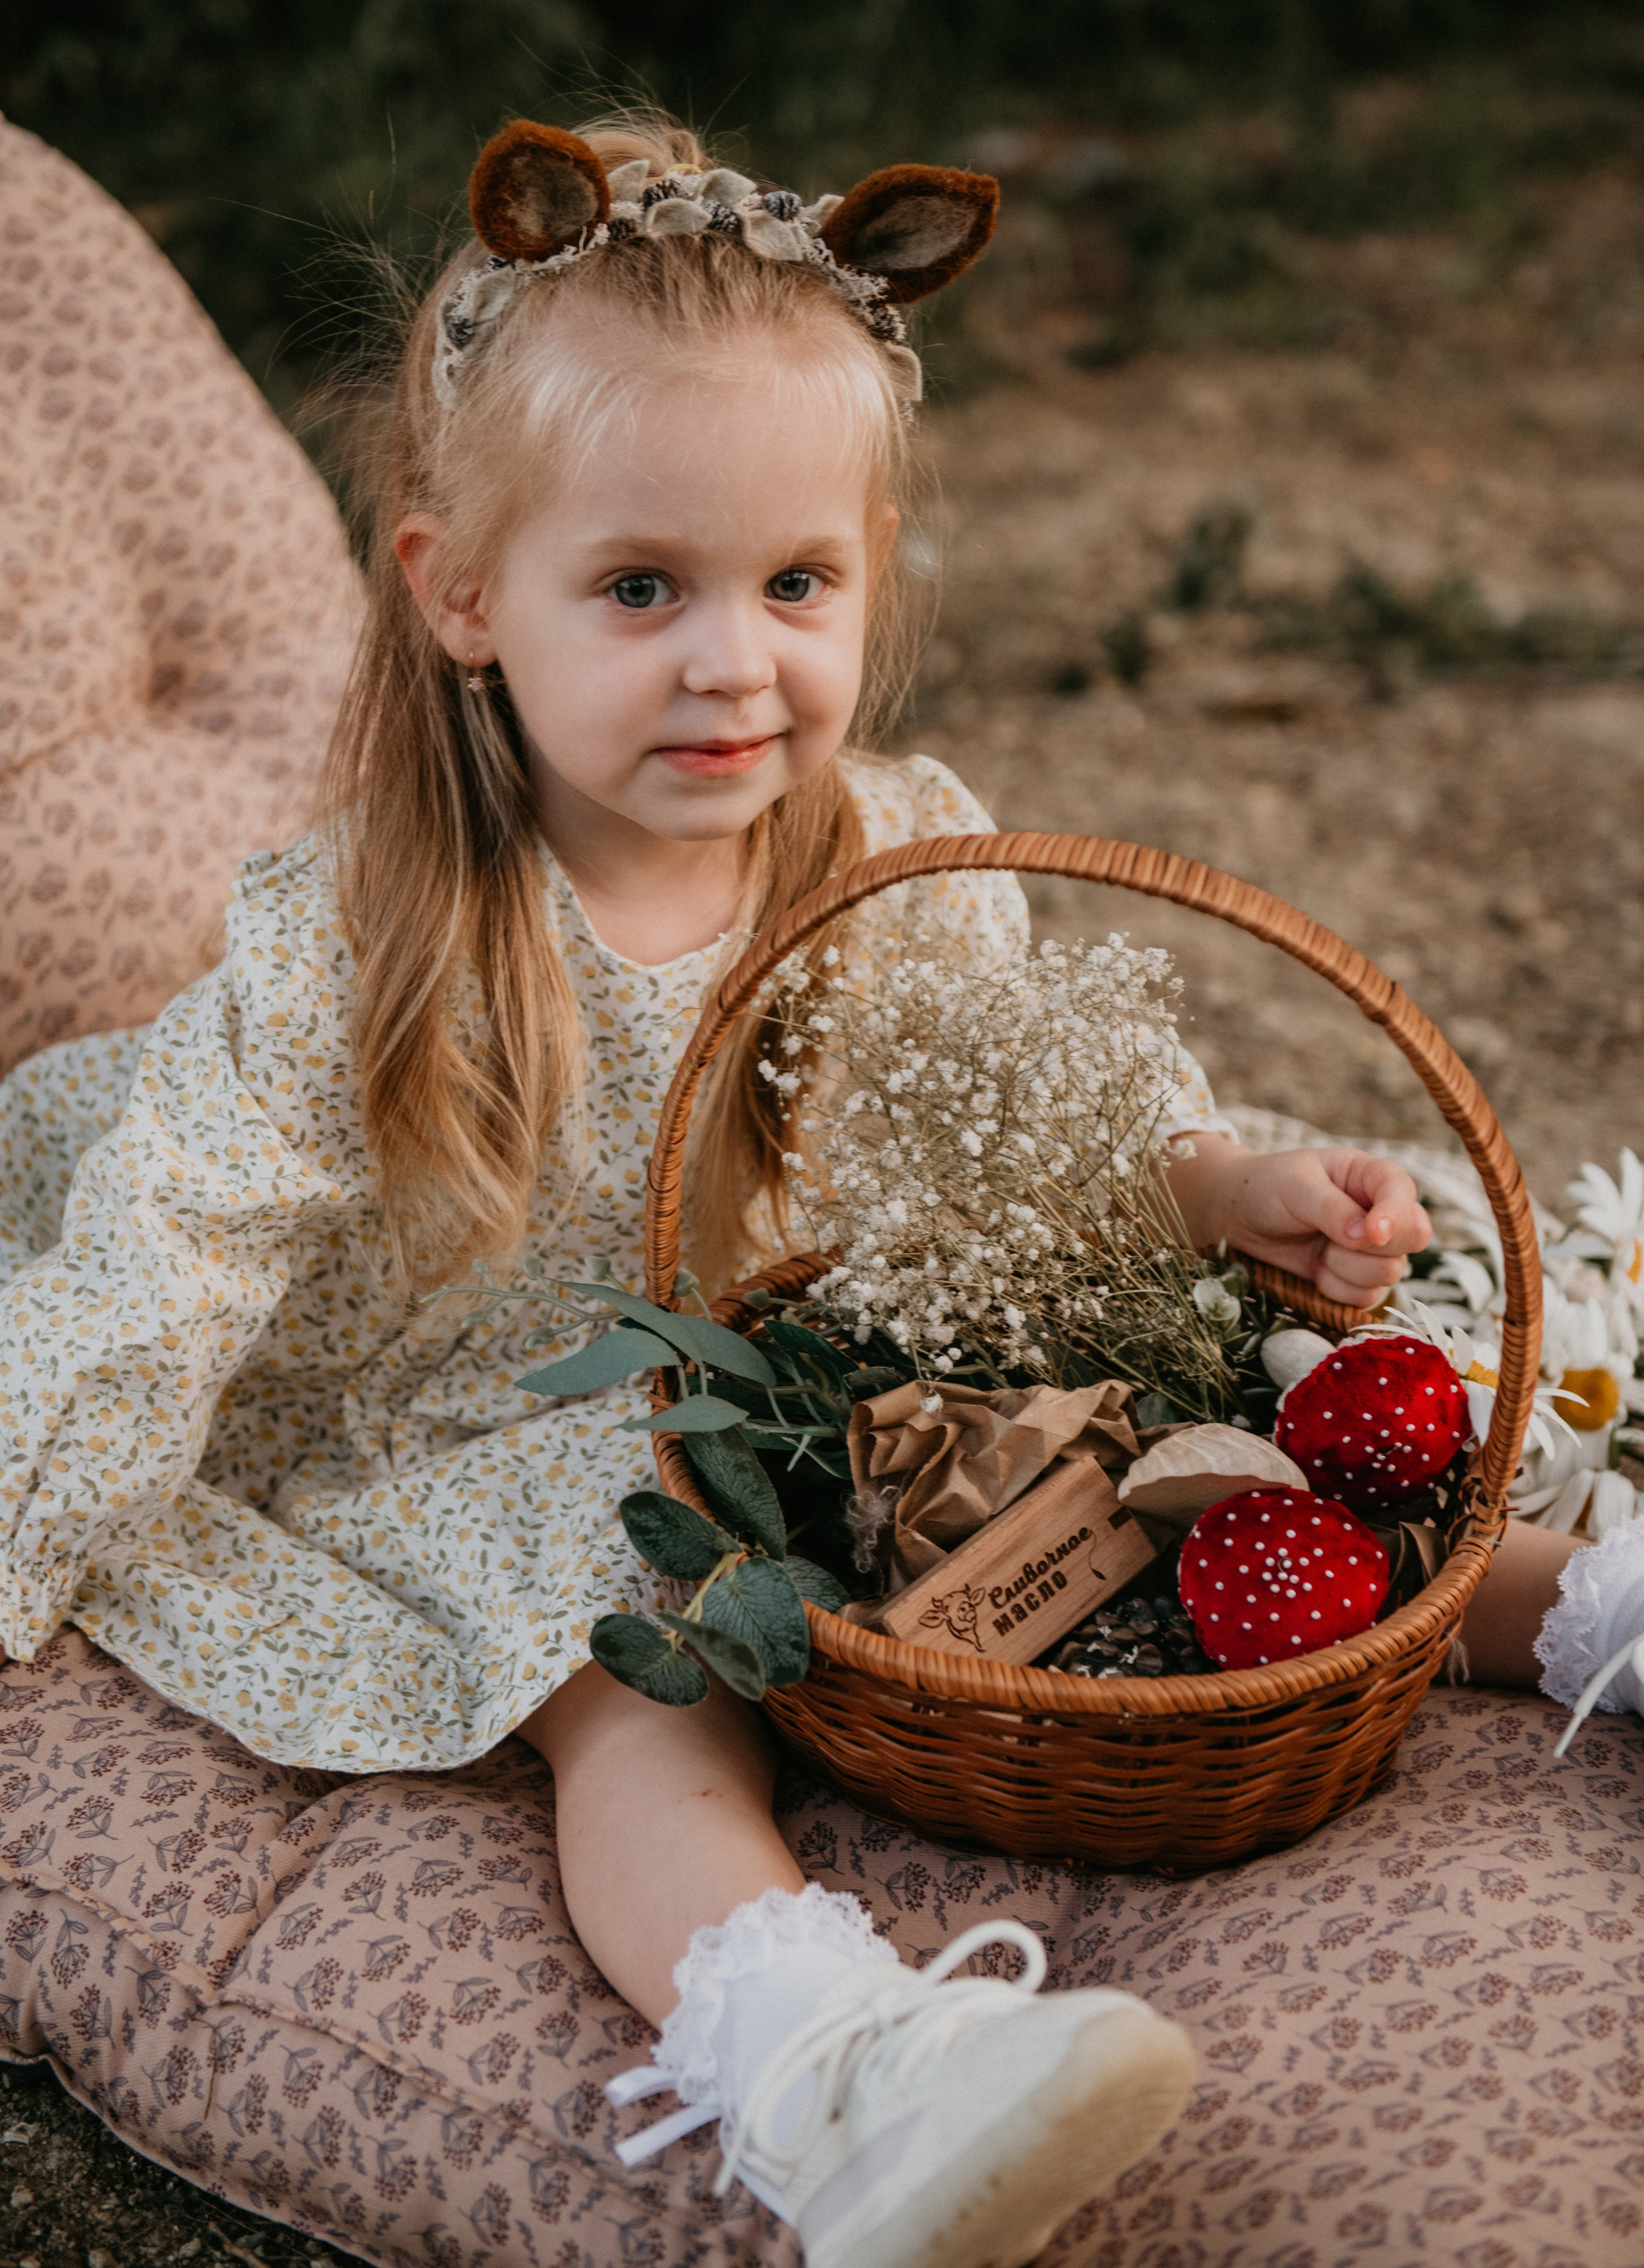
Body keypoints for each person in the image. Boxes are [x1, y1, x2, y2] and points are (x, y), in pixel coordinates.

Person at [0, 109, 1462, 2268]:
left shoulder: (887, 843)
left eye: (798, 585)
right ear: (463, 594)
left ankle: (1574, 1601)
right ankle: (827, 2066)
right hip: (451, 1397)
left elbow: (1050, 1089)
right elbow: (166, 1258)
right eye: (640, 588)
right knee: (642, 1644)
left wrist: (1221, 1175)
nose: (732, 661)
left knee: (1196, 1400)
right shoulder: (366, 939)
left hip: (772, 1352)